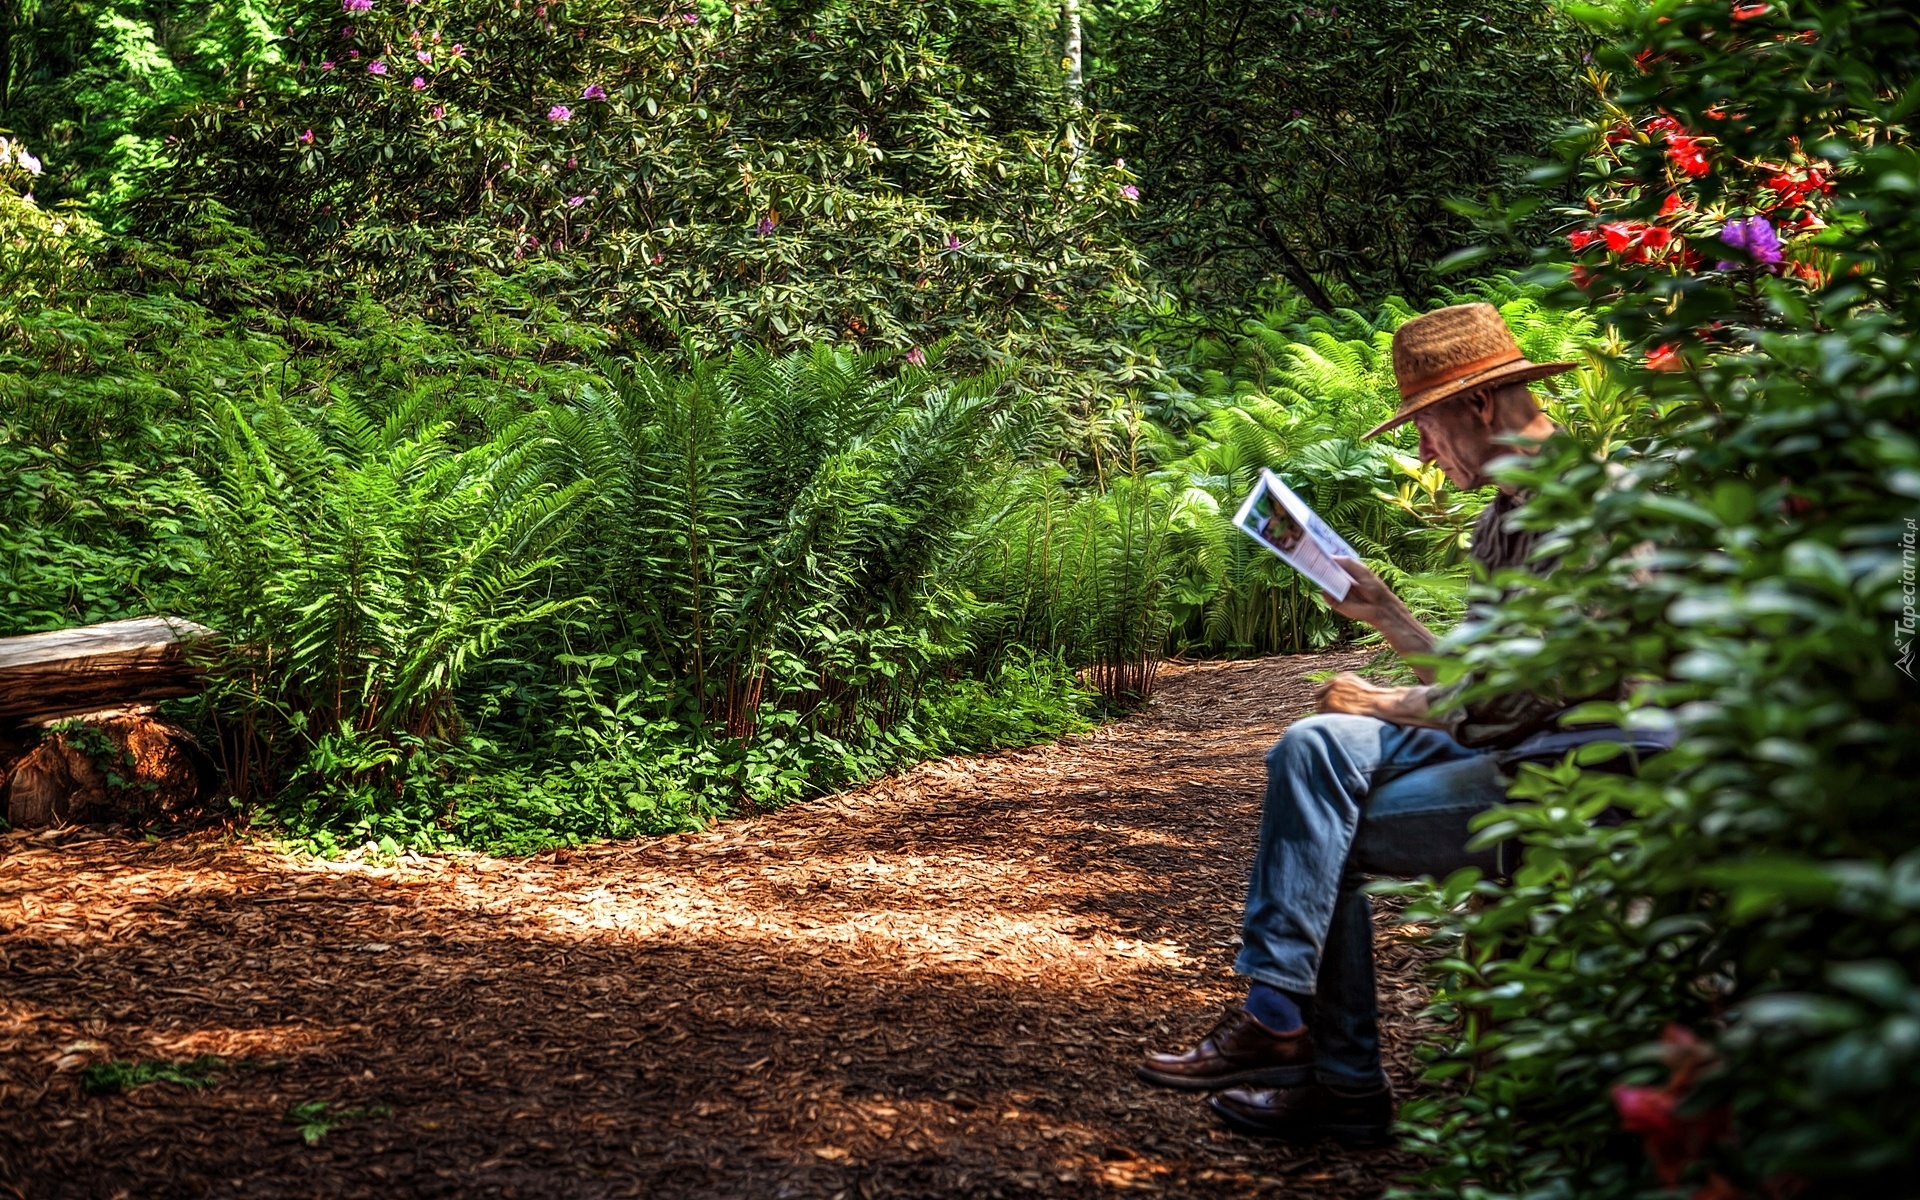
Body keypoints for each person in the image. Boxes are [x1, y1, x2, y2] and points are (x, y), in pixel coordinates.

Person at [1135, 302, 1580, 1146]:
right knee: (1311, 745)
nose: (1421, 451)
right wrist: (1387, 615)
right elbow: (1477, 683)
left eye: (1425, 427)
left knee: (1320, 834)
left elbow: (1525, 694)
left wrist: (1383, 702)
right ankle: (1290, 1033)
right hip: (1505, 742)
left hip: (1563, 771)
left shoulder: (1585, 510)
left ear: (1479, 406)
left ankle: (1324, 1068)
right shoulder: (1505, 515)